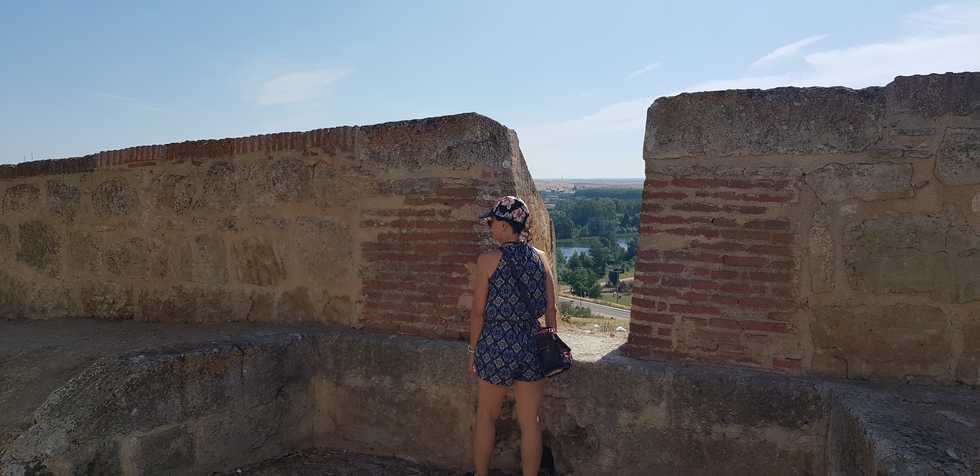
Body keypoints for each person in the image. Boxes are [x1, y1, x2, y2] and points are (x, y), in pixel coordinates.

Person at [467, 195, 559, 476]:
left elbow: (478, 312)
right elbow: (551, 308)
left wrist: (473, 352)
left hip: (496, 343)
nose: (490, 227)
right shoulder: (540, 258)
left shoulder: (488, 261)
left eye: (492, 223)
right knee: (530, 422)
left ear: (506, 226)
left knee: (486, 417)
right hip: (531, 343)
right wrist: (550, 344)